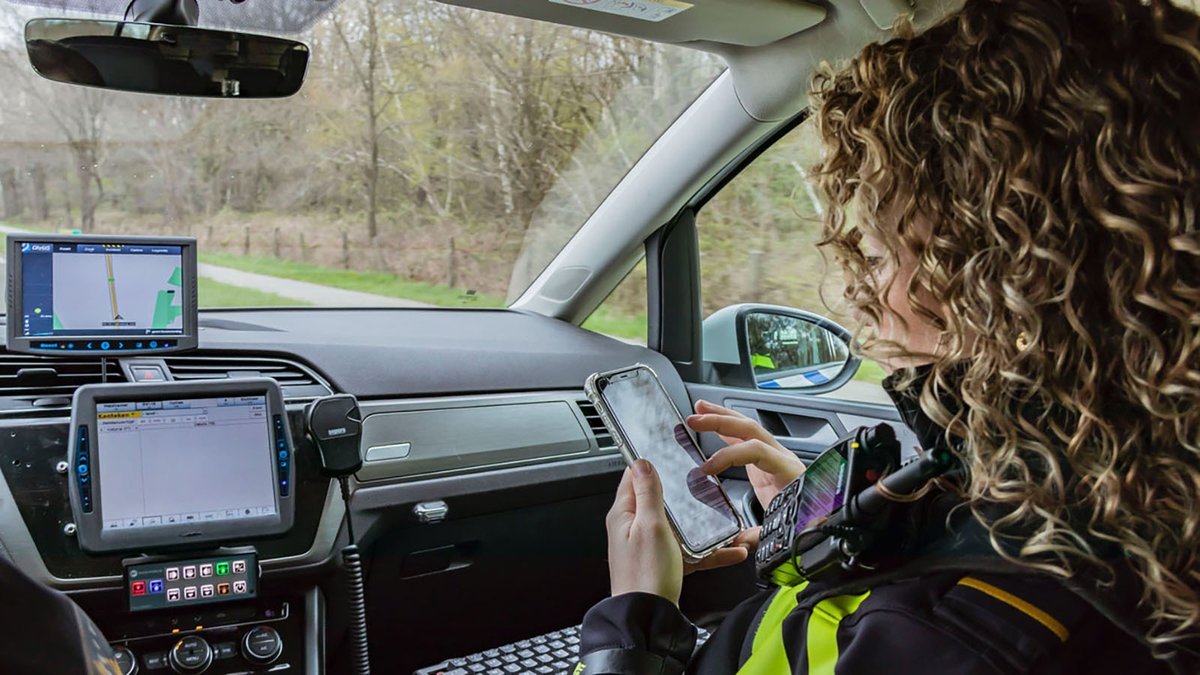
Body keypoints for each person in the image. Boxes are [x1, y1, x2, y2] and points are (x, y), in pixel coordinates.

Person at [576, 0, 1200, 673]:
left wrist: (634, 619)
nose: (856, 292)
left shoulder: (951, 631)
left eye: (876, 256)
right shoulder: (1120, 492)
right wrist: (833, 523)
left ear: (998, 278)